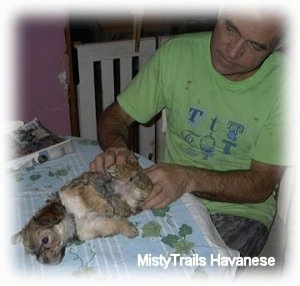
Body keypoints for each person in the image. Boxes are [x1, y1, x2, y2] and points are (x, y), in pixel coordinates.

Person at [89, 9, 287, 258]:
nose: (233, 51)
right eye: (231, 29)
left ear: (274, 50)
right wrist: (117, 148)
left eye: (255, 46)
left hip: (241, 212)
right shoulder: (177, 54)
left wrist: (188, 178)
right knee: (99, 246)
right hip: (168, 195)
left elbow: (261, 184)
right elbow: (115, 117)